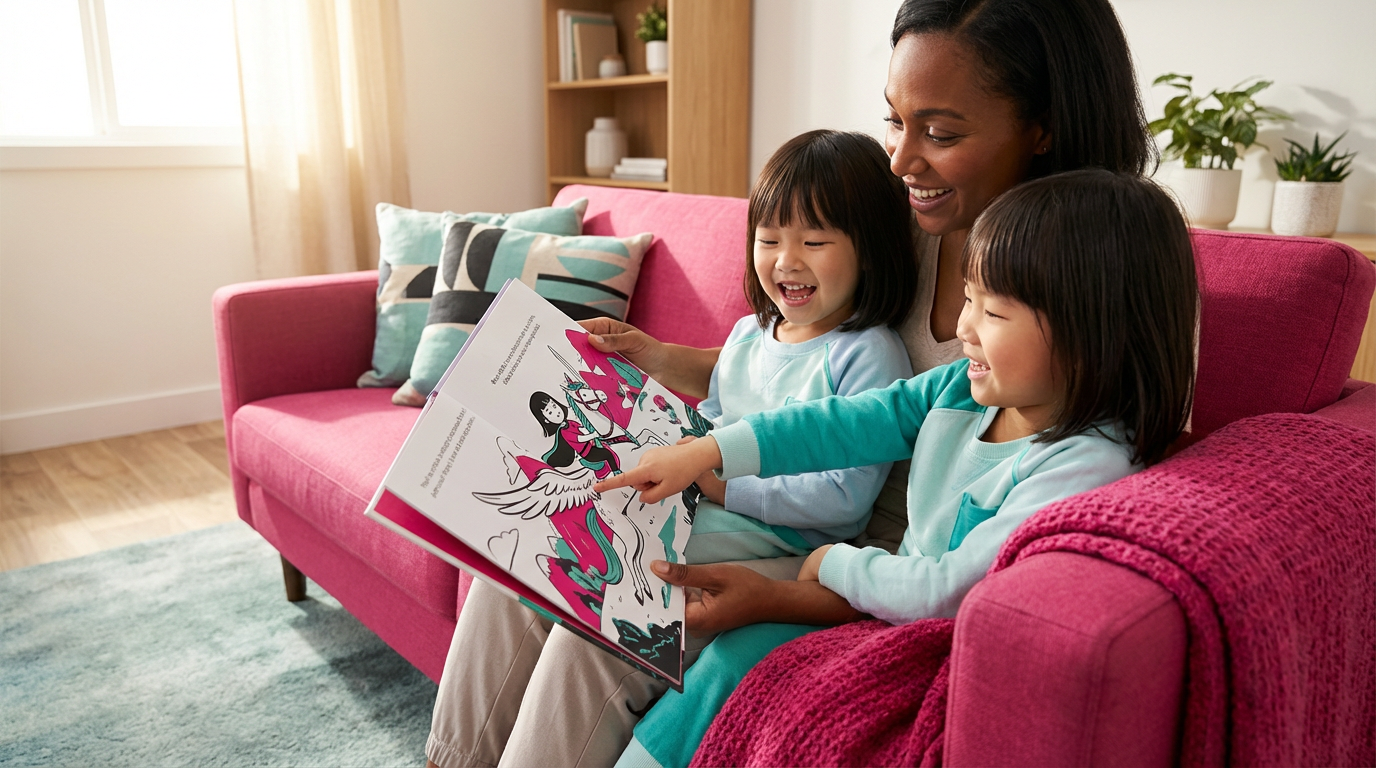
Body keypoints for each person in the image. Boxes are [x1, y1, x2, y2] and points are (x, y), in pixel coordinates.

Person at [601, 169, 1200, 768]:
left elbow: (946, 591)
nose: (963, 329)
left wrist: (835, 561)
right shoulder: (962, 390)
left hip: (920, 637)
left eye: (992, 312)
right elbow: (847, 422)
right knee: (723, 665)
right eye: (969, 299)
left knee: (728, 658)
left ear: (1090, 330)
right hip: (874, 597)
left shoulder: (1079, 463)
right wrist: (713, 450)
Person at [425, 129, 920, 768]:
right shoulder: (749, 335)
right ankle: (450, 758)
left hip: (777, 541)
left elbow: (842, 502)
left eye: (815, 242)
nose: (786, 262)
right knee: (510, 572)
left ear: (870, 250)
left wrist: (713, 476)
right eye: (769, 240)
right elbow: (706, 423)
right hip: (689, 515)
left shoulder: (869, 354)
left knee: (594, 613)